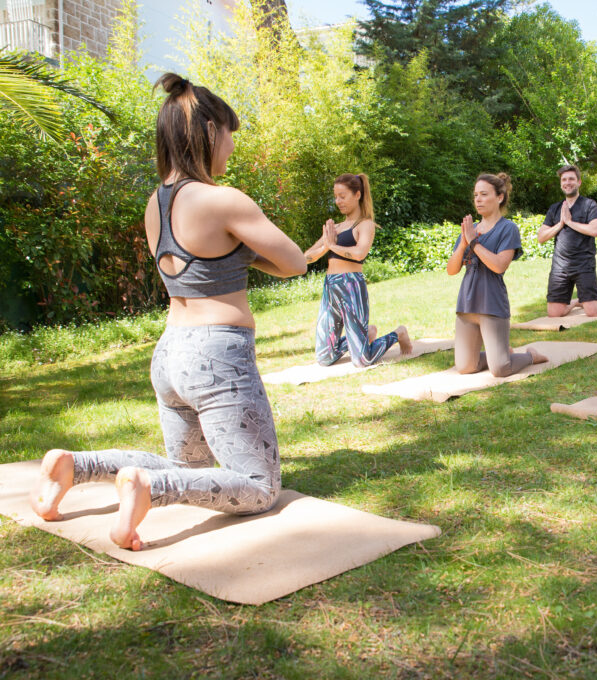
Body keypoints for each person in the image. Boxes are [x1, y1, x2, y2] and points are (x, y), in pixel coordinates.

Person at [29, 73, 309, 550]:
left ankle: (78, 466)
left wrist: (234, 250)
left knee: (192, 470)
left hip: (170, 354)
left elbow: (199, 261)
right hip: (219, 355)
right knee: (259, 487)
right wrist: (244, 249)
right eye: (229, 134)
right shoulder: (224, 200)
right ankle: (151, 488)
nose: (231, 148)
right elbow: (295, 262)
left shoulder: (154, 203)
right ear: (207, 132)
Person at [304, 174, 412, 367]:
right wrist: (325, 247)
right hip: (331, 287)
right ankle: (366, 334)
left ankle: (399, 333)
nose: (338, 201)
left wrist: (332, 246)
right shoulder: (334, 229)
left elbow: (359, 253)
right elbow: (306, 256)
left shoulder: (365, 225)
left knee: (362, 360)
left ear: (357, 195)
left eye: (342, 196)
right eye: (335, 196)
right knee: (324, 357)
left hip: (351, 285)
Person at [447, 173, 548, 376]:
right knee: (465, 368)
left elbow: (499, 266)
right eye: (476, 195)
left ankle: (529, 356)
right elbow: (452, 270)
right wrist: (464, 243)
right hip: (467, 305)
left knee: (501, 369)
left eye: (484, 194)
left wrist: (474, 242)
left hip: (491, 304)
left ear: (499, 197)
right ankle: (499, 353)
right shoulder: (470, 230)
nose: (478, 199)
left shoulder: (508, 229)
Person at [536, 165, 597, 317]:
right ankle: (578, 301)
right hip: (560, 265)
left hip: (583, 264)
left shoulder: (589, 205)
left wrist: (570, 222)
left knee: (594, 312)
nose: (567, 182)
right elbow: (541, 237)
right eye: (564, 180)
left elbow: (595, 230)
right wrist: (560, 224)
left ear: (579, 182)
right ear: (561, 184)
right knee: (554, 313)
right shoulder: (555, 208)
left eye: (571, 179)